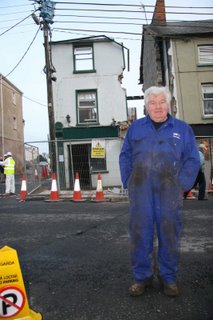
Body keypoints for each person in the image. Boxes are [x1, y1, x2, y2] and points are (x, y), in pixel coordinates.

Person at [119, 86, 200, 298]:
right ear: (146, 106)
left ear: (169, 104)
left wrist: (182, 184)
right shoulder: (135, 129)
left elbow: (192, 159)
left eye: (162, 102)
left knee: (170, 234)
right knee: (140, 234)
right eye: (152, 103)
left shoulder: (182, 129)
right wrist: (129, 181)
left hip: (169, 192)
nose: (158, 106)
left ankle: (168, 278)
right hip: (141, 191)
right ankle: (141, 278)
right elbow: (125, 155)